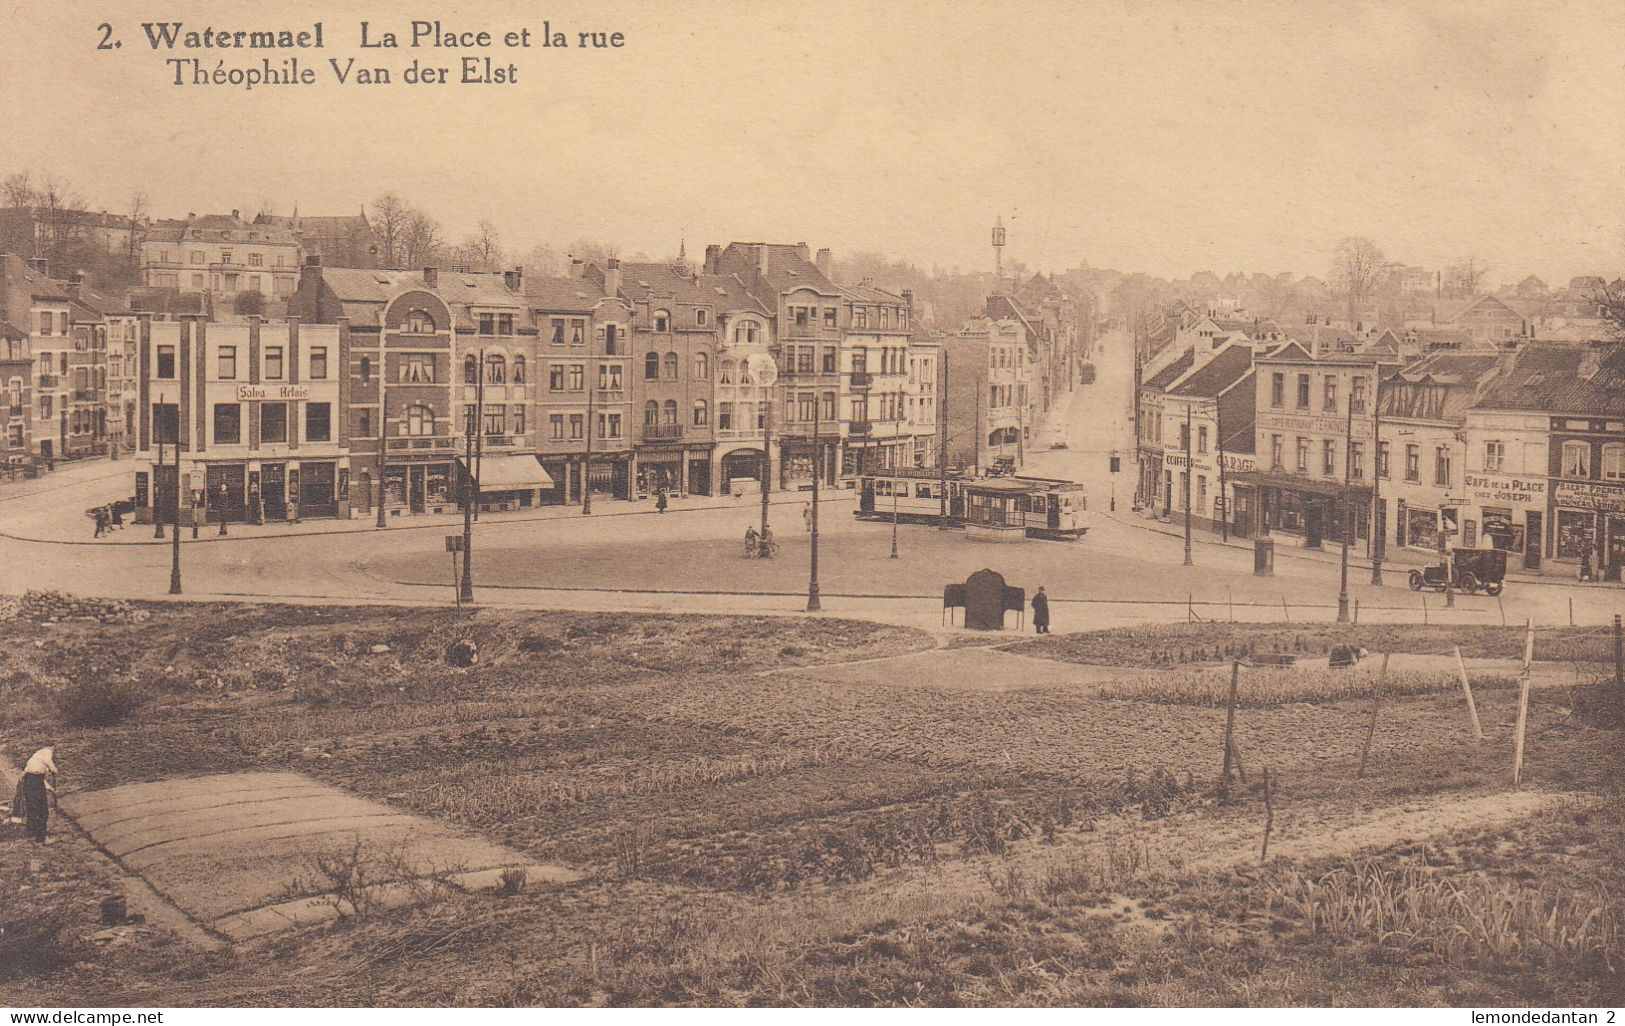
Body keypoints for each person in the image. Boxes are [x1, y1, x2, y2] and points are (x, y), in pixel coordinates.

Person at [18, 745, 57, 843]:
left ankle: (31, 832)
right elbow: (47, 761)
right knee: (42, 810)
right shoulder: (47, 751)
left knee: (32, 808)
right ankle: (41, 838)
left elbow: (39, 777)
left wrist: (50, 788)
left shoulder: (35, 758)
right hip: (34, 782)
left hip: (29, 781)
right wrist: (54, 768)